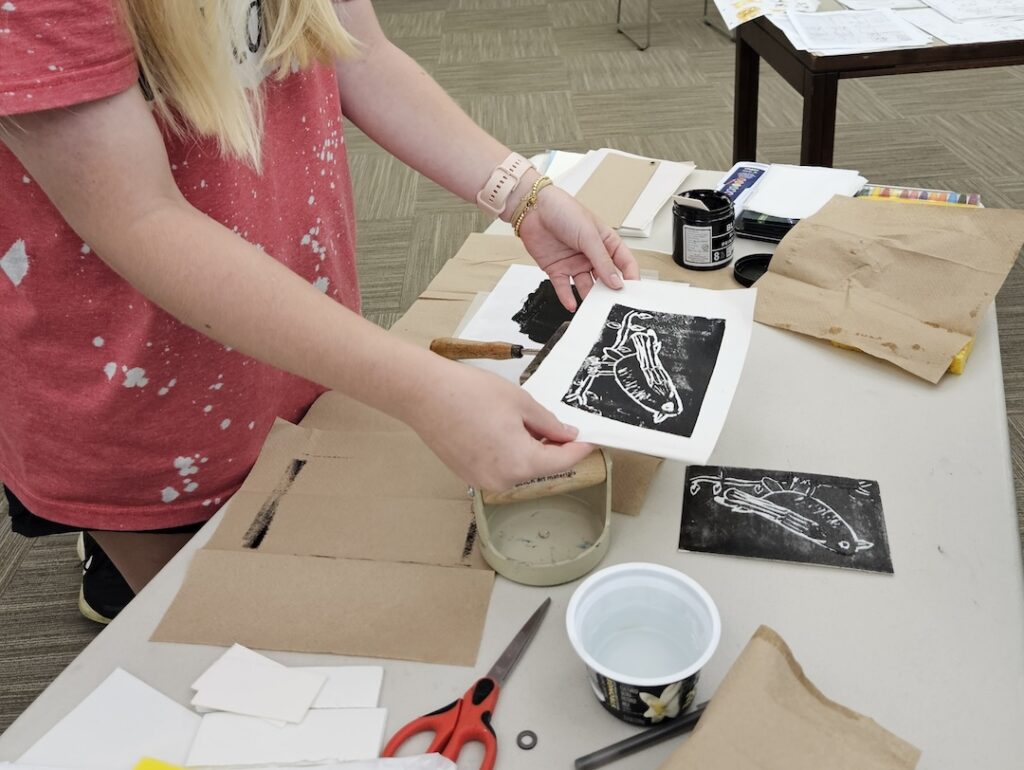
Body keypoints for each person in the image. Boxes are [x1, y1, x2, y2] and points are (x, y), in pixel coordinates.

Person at [0, 0, 639, 622]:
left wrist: (522, 193)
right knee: (218, 632)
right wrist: (423, 391)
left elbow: (358, 52)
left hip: (291, 328)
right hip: (147, 392)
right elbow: (139, 216)